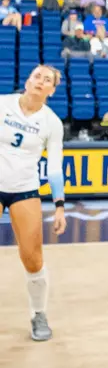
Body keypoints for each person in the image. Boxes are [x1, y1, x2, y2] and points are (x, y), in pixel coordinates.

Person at [0, 65, 66, 341]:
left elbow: (54, 167)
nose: (40, 81)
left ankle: (39, 314)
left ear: (52, 90)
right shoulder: (3, 104)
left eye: (47, 80)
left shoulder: (52, 122)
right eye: (37, 76)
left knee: (32, 257)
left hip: (24, 190)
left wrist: (59, 205)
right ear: (27, 81)